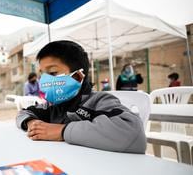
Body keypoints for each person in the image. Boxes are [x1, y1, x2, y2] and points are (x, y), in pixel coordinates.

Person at [16, 40, 146, 154]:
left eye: (53, 72)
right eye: (42, 75)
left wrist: (61, 131)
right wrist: (33, 123)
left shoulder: (98, 101)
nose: (45, 80)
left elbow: (134, 132)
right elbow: (24, 113)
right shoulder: (53, 106)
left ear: (78, 75)